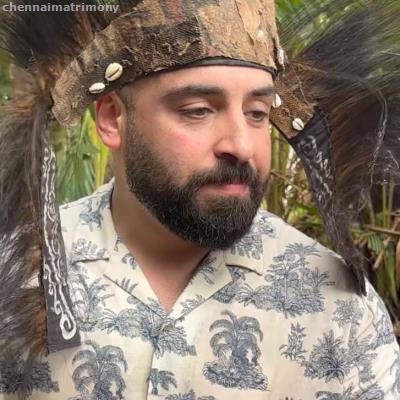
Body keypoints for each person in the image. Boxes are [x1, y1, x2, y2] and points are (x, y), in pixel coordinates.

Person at [0, 0, 399, 399]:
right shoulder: (12, 277)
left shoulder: (343, 313)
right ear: (111, 118)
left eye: (257, 113)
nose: (241, 146)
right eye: (198, 111)